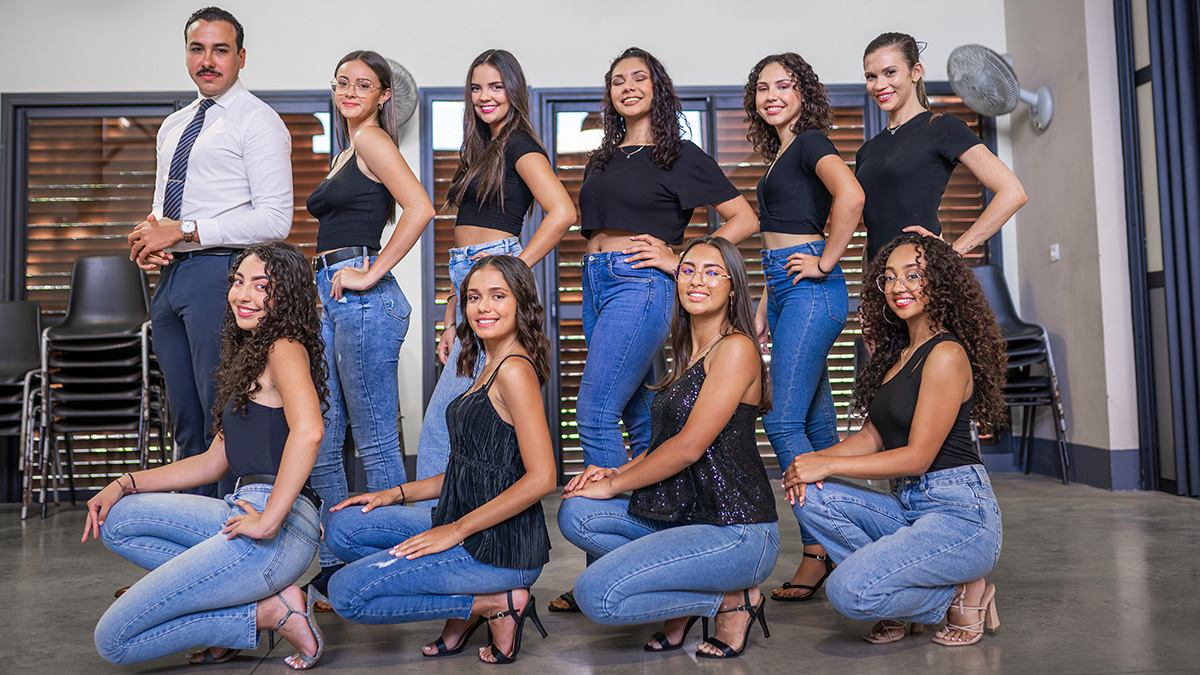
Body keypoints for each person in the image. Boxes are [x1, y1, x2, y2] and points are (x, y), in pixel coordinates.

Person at [551, 47, 757, 613]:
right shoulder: (601, 158)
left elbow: (744, 219)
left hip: (640, 285)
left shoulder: (680, 156)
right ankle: (657, 548)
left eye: (639, 78)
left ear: (658, 90)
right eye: (617, 80)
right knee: (641, 415)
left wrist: (682, 260)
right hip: (594, 281)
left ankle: (615, 562)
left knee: (593, 409)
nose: (627, 87)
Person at [84, 241, 328, 670]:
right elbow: (213, 463)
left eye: (261, 285)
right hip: (240, 509)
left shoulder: (285, 347)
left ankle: (267, 613)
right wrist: (123, 483)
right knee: (116, 520)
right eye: (238, 282)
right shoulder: (249, 356)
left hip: (280, 524)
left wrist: (269, 519)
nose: (243, 294)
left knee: (114, 642)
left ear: (286, 294)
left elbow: (309, 432)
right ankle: (261, 597)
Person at [324, 255, 557, 664]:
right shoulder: (488, 363)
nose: (483, 307)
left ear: (521, 302)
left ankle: (491, 603)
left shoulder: (515, 371)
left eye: (497, 296)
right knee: (344, 527)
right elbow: (471, 469)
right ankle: (469, 599)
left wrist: (455, 531)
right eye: (473, 297)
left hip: (499, 550)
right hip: (464, 521)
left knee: (346, 594)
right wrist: (394, 494)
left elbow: (543, 478)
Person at [558, 236, 779, 659]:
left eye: (713, 272)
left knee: (596, 595)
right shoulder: (688, 352)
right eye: (689, 269)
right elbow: (665, 443)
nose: (698, 279)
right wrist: (611, 474)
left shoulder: (736, 349)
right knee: (576, 511)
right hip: (686, 521)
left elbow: (688, 448)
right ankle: (690, 593)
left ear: (733, 287)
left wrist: (613, 486)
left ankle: (733, 601)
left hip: (737, 530)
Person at [783, 234, 1006, 647]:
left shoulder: (946, 354)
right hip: (908, 507)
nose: (898, 286)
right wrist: (809, 462)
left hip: (958, 515)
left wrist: (828, 465)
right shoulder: (900, 354)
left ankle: (963, 594)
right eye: (888, 278)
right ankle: (904, 599)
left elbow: (918, 457)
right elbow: (871, 437)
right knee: (809, 495)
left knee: (846, 591)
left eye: (913, 275)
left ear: (938, 282)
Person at [127, 7, 293, 497]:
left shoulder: (258, 121)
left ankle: (232, 544)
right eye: (198, 49)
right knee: (185, 422)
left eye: (221, 50)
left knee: (223, 419)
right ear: (186, 56)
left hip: (223, 277)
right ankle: (196, 538)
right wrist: (150, 239)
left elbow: (274, 220)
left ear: (241, 58)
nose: (208, 60)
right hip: (172, 281)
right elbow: (164, 210)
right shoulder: (173, 125)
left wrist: (188, 230)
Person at [304, 49, 436, 594]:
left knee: (376, 441)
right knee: (325, 435)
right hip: (333, 296)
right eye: (342, 82)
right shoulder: (345, 150)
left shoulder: (371, 139)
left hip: (362, 299)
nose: (350, 91)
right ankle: (342, 560)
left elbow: (421, 207)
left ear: (385, 96)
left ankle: (393, 563)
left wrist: (369, 270)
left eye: (364, 84)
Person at [416, 48, 574, 497]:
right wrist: (451, 316)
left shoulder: (519, 143)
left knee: (443, 420)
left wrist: (509, 272)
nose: (484, 96)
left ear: (514, 90)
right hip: (469, 281)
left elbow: (562, 211)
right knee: (469, 412)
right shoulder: (482, 149)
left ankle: (432, 522)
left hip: (491, 273)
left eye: (495, 86)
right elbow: (462, 256)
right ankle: (458, 513)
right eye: (476, 87)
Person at [743, 53, 864, 602]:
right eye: (763, 88)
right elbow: (781, 234)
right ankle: (845, 545)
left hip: (814, 289)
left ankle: (822, 548)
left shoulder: (811, 141)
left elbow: (852, 196)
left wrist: (825, 260)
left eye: (783, 86)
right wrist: (769, 298)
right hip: (789, 289)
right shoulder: (783, 153)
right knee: (815, 429)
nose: (772, 95)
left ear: (803, 92)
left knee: (783, 422)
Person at [856, 32, 1026, 261]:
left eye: (890, 73)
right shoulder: (867, 151)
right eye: (871, 76)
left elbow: (1013, 193)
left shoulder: (941, 128)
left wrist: (953, 251)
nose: (879, 84)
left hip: (922, 273)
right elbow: (873, 231)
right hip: (882, 280)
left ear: (915, 72)